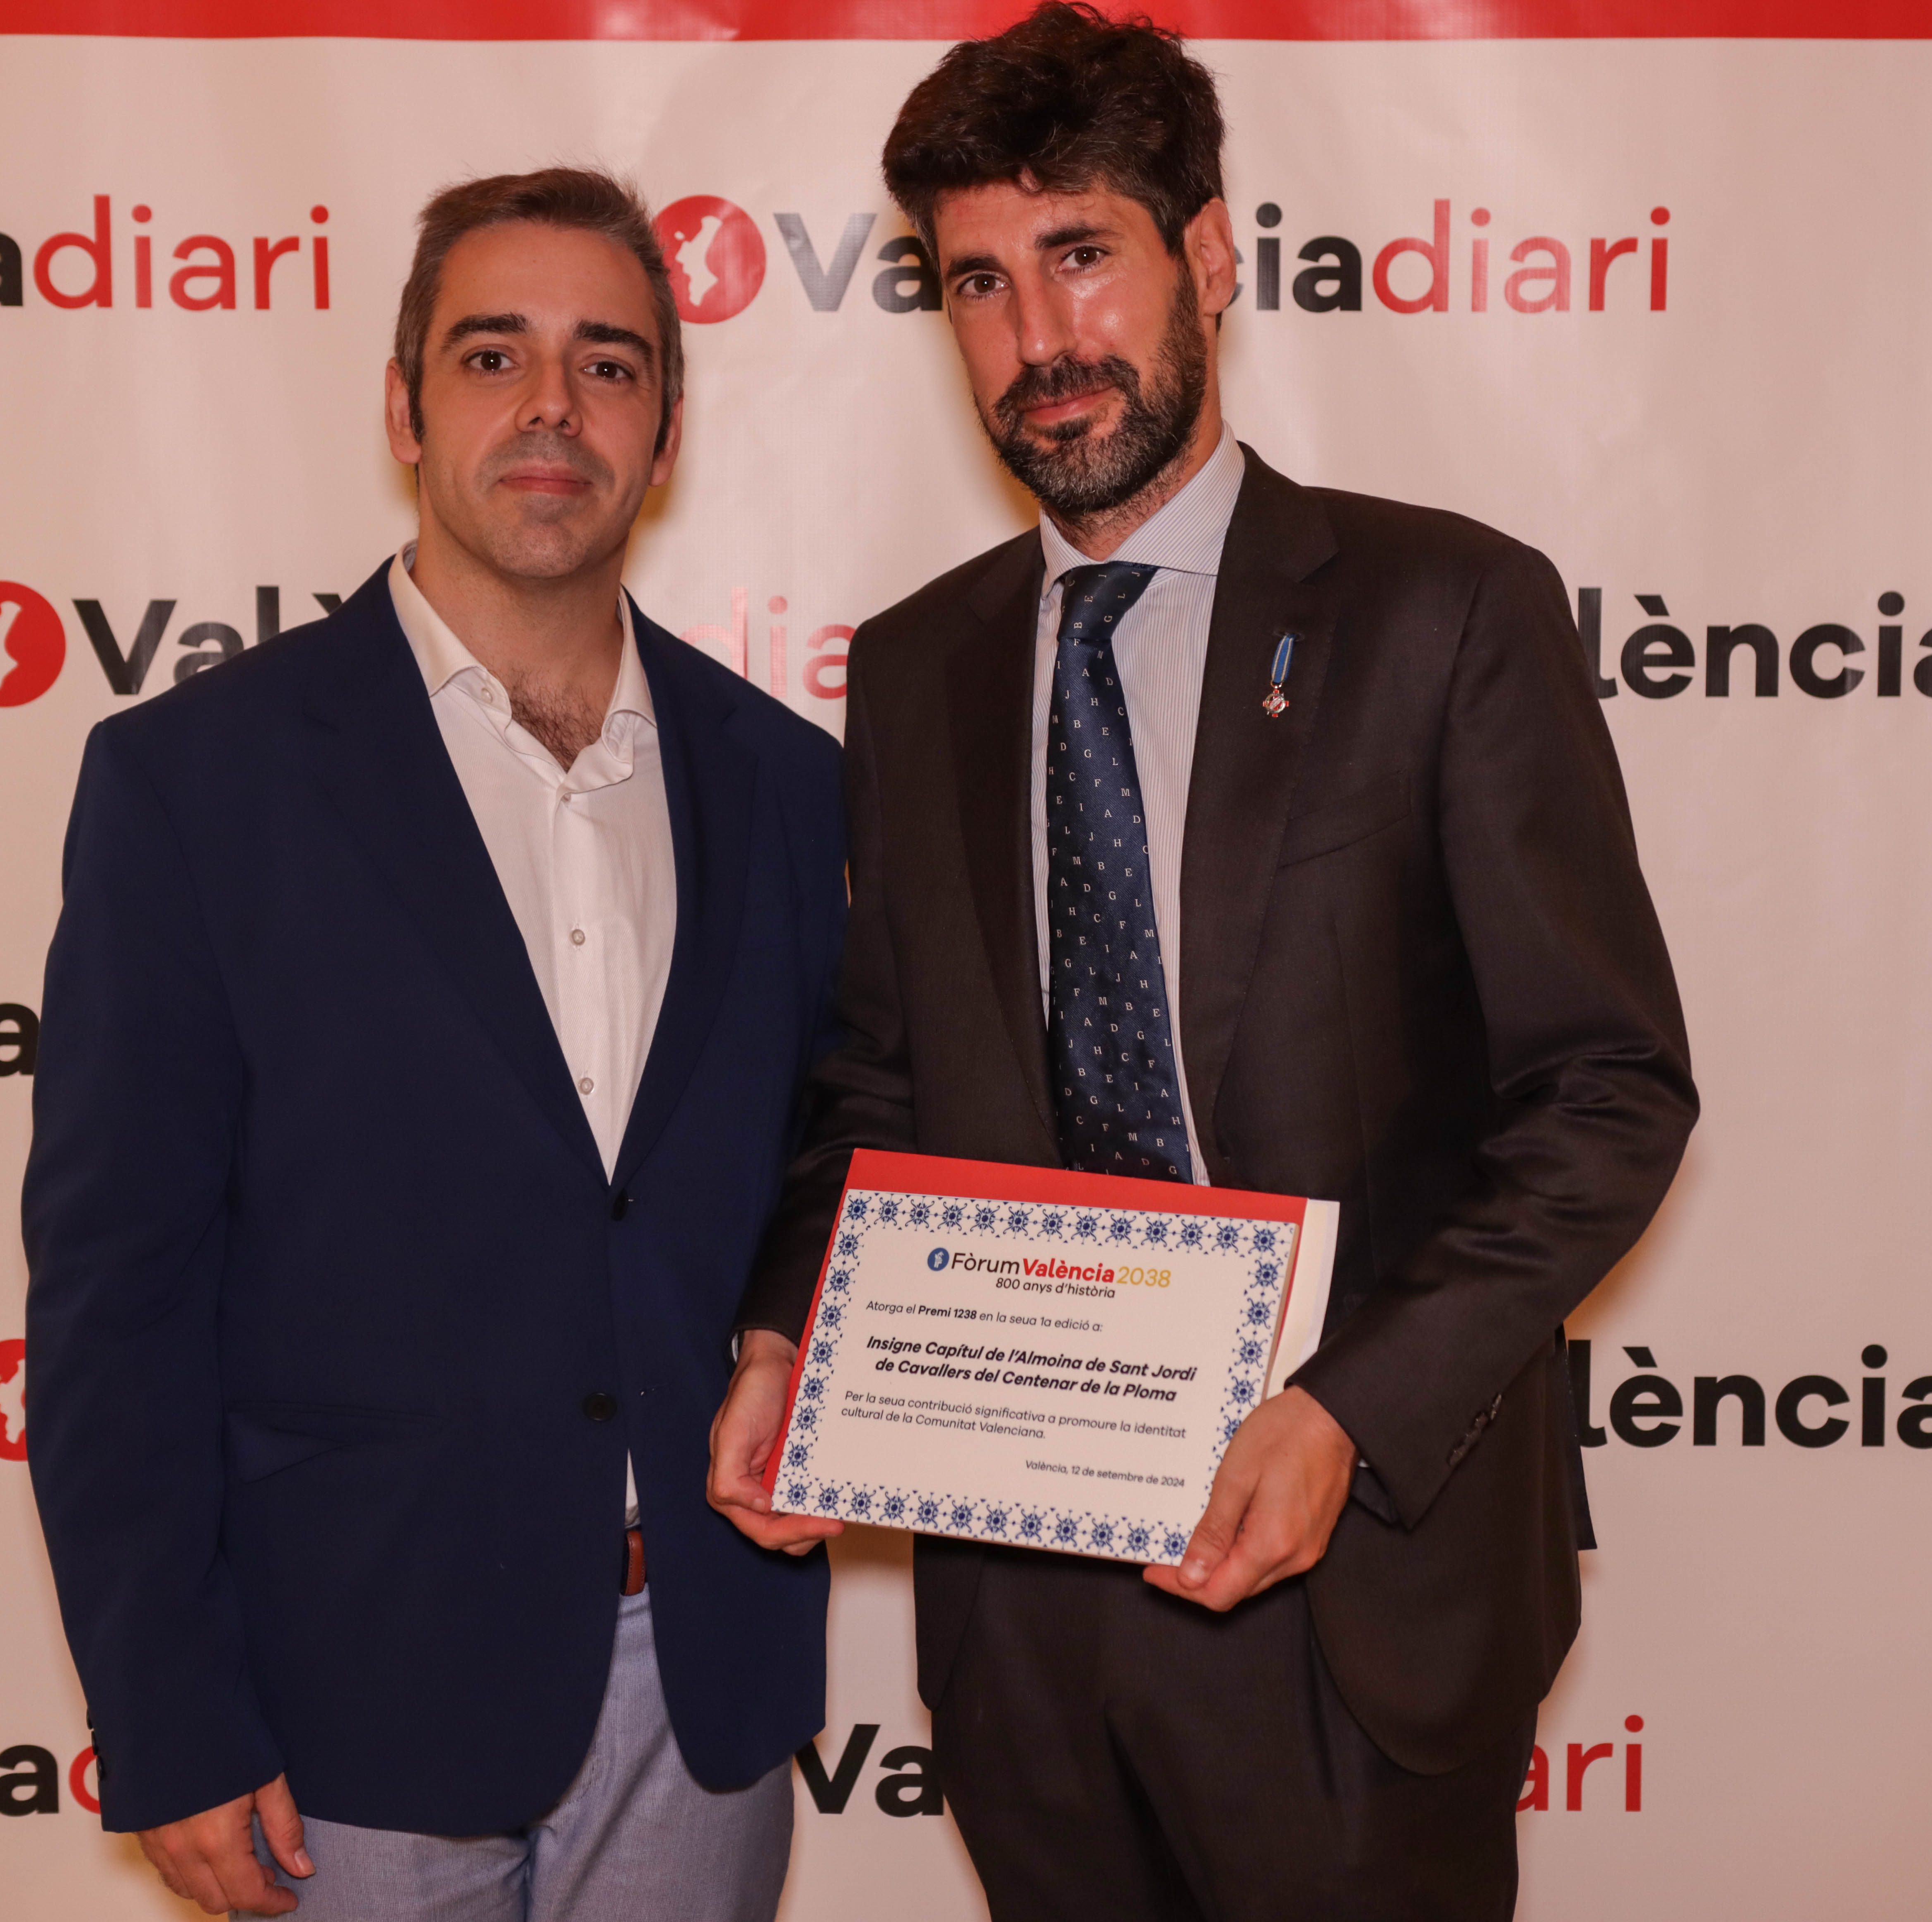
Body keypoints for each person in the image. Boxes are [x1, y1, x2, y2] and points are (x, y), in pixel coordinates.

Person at [705, 10, 1696, 1919]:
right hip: (1025, 1622)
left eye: (1082, 253)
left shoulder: (1444, 610)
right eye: (978, 282)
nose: (1038, 335)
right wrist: (784, 1331)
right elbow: (882, 1084)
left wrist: (1348, 1412)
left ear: (1212, 255)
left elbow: (1608, 1093)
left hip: (1353, 1590)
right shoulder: (916, 668)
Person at [25, 168, 843, 1922]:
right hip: (345, 1694)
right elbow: (118, 1293)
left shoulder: (787, 784)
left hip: (701, 1683)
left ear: (666, 431)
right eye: (493, 355)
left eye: (608, 364)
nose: (553, 406)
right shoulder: (196, 784)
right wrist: (169, 1710)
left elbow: (828, 1161)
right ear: (405, 409)